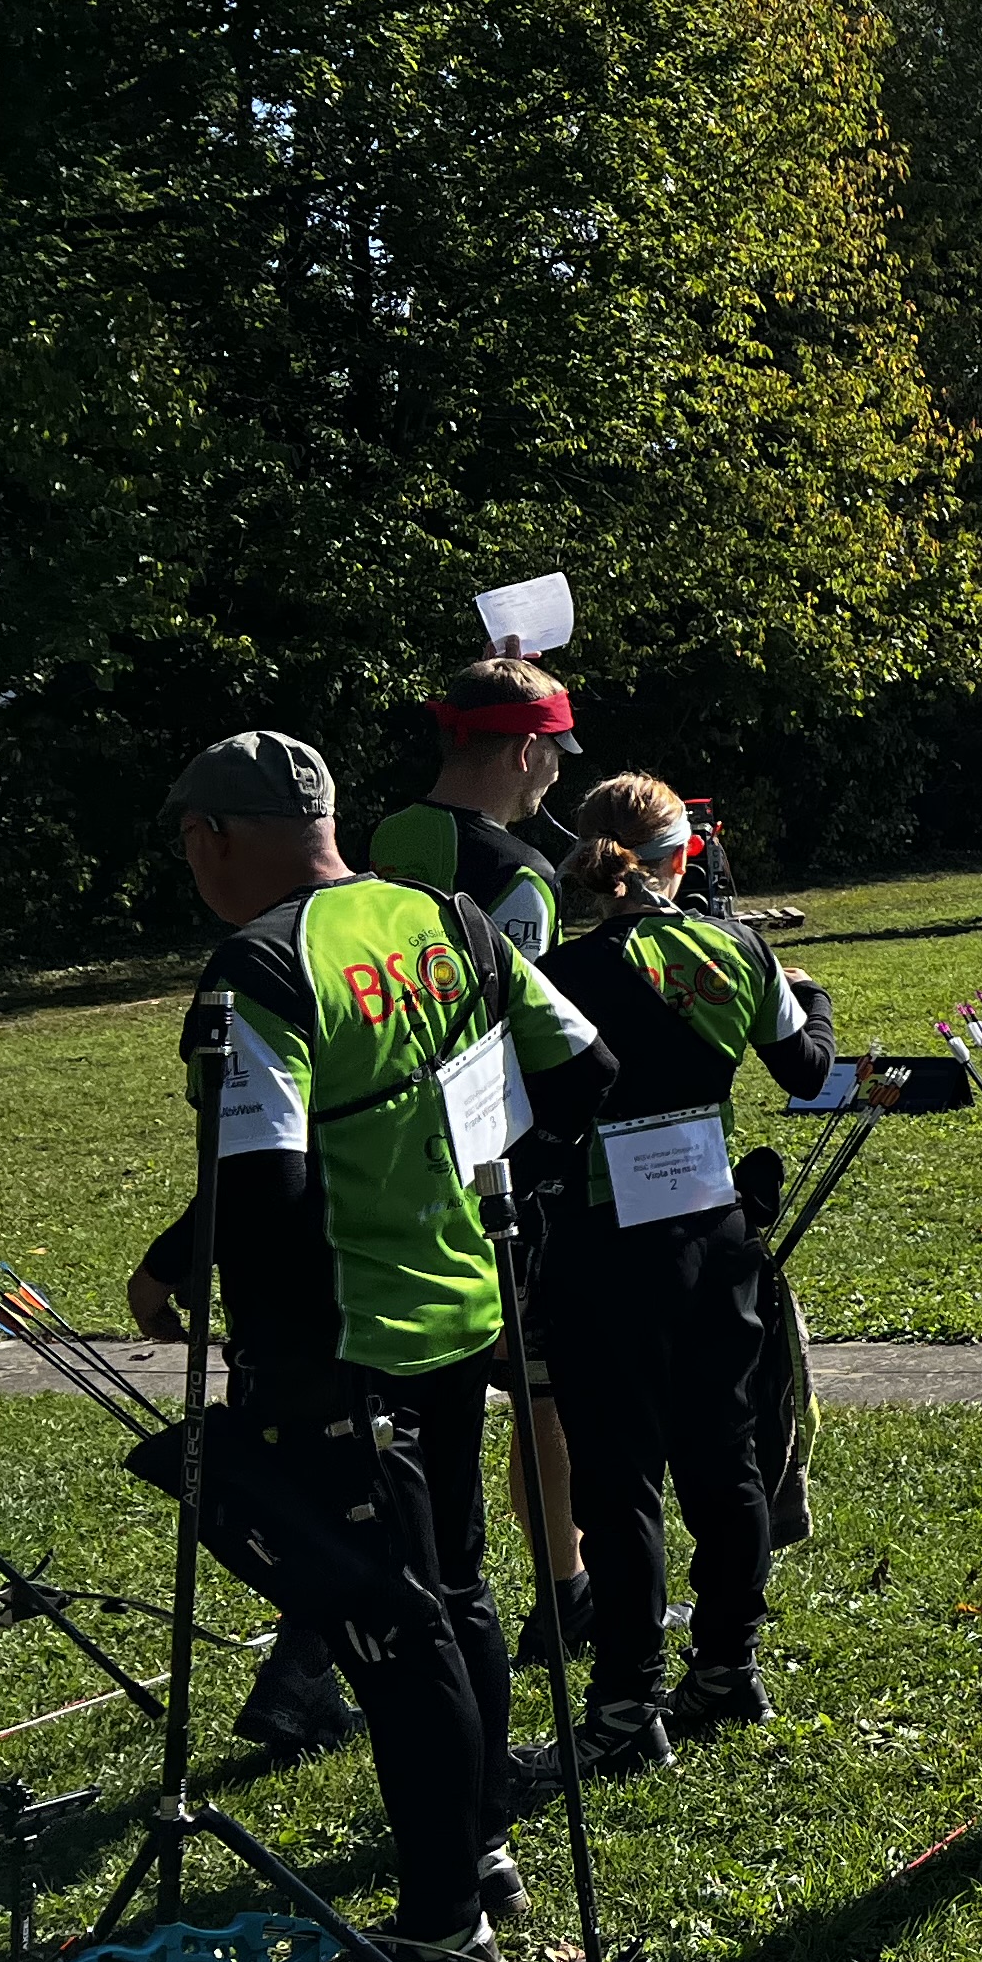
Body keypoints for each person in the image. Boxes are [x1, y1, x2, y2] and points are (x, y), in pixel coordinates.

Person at [125, 730, 614, 1962]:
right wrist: (477, 1182)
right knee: (457, 1590)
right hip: (460, 1312)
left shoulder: (260, 964)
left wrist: (208, 1280)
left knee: (393, 1628)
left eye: (189, 839)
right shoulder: (445, 916)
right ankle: (485, 1852)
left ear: (214, 839)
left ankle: (444, 1935)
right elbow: (585, 1069)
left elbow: (268, 1189)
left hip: (342, 1346)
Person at [524, 775, 838, 1777]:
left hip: (605, 1246)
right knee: (725, 1457)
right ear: (682, 856)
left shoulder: (557, 972)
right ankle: (728, 1666)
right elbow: (806, 1068)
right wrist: (813, 996)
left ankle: (626, 1707)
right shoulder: (738, 948)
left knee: (618, 1484)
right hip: (715, 1235)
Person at [370, 652, 594, 1679]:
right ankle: (564, 1590)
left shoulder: (383, 837)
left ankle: (328, 1646)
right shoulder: (522, 876)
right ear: (520, 752)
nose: (558, 771)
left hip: (376, 1148)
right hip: (484, 1167)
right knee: (539, 1393)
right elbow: (523, 1039)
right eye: (554, 751)